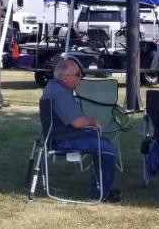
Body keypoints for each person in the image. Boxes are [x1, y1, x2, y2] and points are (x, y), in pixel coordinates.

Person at [39, 57, 121, 203]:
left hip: (59, 136)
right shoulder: (60, 92)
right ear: (64, 77)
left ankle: (100, 186)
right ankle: (101, 193)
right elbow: (76, 122)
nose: (80, 78)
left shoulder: (53, 86)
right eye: (77, 75)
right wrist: (93, 122)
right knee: (106, 147)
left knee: (100, 142)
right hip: (64, 140)